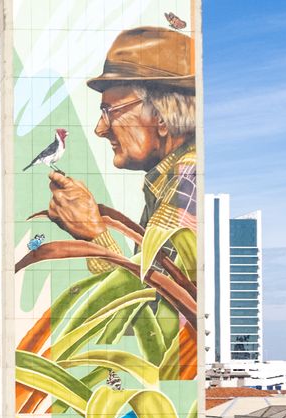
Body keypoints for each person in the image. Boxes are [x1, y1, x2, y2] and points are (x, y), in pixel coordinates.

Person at [46, 26, 197, 274]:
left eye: (110, 111)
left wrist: (93, 232)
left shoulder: (185, 179)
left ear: (159, 116)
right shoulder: (173, 179)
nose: (100, 129)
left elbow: (150, 308)